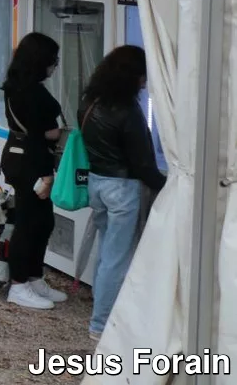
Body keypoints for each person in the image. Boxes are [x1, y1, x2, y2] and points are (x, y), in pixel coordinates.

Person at [79, 44, 165, 339]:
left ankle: (100, 308)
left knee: (107, 252)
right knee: (117, 258)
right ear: (133, 76)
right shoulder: (128, 111)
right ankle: (101, 324)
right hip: (123, 189)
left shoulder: (89, 101)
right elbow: (142, 163)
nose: (144, 83)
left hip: (97, 183)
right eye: (143, 76)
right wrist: (166, 185)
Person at [0, 32, 66, 311]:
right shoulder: (31, 92)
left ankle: (33, 276)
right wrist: (56, 136)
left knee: (42, 221)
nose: (54, 66)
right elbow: (42, 132)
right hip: (32, 162)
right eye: (53, 60)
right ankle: (18, 284)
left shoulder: (15, 85)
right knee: (29, 224)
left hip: (19, 157)